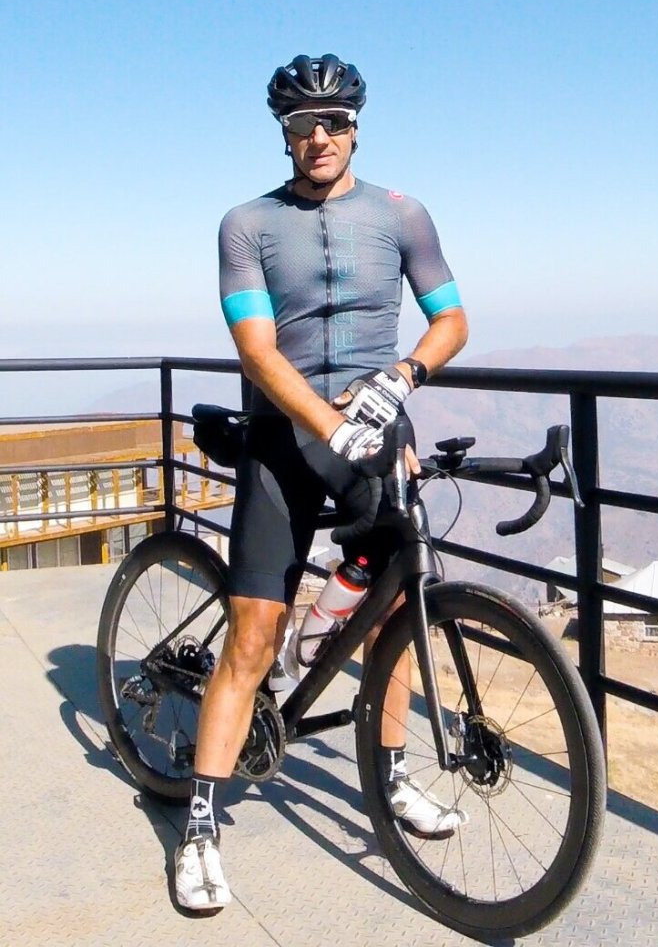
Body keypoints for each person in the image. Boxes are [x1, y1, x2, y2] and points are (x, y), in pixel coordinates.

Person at [174, 53, 469, 910]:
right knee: (251, 637)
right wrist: (327, 421)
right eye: (302, 125)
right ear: (284, 134)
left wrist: (401, 378)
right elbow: (256, 350)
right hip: (284, 440)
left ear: (356, 128)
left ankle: (392, 774)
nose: (319, 137)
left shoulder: (402, 214)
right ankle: (200, 823)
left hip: (376, 426)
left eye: (334, 122)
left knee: (393, 611)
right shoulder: (246, 224)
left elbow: (451, 319)